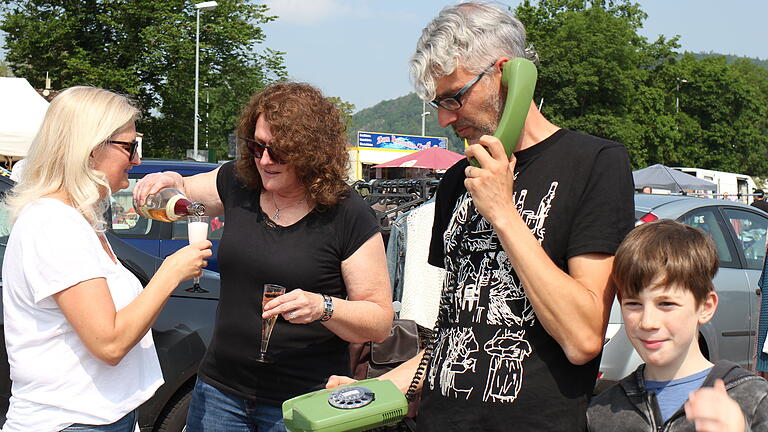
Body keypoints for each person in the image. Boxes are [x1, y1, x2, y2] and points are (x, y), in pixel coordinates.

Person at [326, 3, 635, 431]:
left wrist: (503, 213)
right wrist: (373, 392)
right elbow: (457, 333)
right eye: (438, 103)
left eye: (454, 97)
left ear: (508, 74)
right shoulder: (459, 178)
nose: (445, 119)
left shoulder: (596, 163)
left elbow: (583, 336)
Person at [132, 81, 393, 431]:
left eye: (279, 152)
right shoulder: (240, 183)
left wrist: (323, 307)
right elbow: (186, 191)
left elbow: (377, 321)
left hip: (302, 404)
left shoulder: (347, 214)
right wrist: (169, 177)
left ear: (310, 150)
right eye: (256, 146)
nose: (265, 160)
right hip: (219, 394)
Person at [1, 86, 212, 432]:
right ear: (89, 150)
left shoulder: (78, 219)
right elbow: (109, 343)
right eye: (130, 147)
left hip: (100, 418)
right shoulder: (54, 224)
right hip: (70, 421)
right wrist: (170, 274)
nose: (137, 160)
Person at [587, 220, 768, 431]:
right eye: (634, 304)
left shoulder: (752, 399)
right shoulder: (601, 412)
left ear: (705, 307)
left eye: (666, 304)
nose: (648, 322)